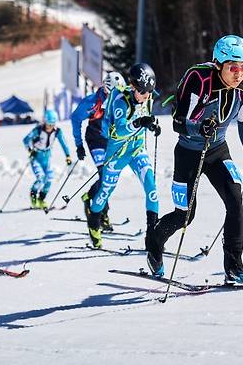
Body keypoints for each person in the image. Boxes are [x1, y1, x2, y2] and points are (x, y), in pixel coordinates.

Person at [145, 34, 243, 285]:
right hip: (188, 153)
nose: (239, 74)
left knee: (235, 202)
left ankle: (234, 267)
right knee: (185, 215)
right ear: (219, 64)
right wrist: (199, 128)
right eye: (234, 67)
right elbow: (178, 123)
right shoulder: (198, 80)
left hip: (217, 151)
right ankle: (154, 243)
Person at [85, 63, 161, 248]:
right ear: (133, 87)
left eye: (150, 92)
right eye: (143, 92)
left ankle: (153, 237)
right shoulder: (120, 102)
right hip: (117, 154)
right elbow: (117, 132)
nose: (148, 96)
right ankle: (93, 221)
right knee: (105, 192)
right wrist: (139, 123)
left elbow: (145, 116)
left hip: (136, 150)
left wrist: (151, 125)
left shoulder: (147, 95)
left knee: (152, 188)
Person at [70, 71, 126, 230]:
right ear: (107, 90)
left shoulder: (121, 98)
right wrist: (79, 145)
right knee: (104, 175)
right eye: (115, 92)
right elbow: (75, 118)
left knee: (110, 178)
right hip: (96, 141)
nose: (119, 95)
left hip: (111, 142)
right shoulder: (92, 102)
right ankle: (102, 213)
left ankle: (90, 197)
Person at [23, 109, 72, 209]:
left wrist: (68, 156)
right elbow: (26, 140)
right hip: (36, 157)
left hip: (47, 157)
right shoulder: (38, 130)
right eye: (48, 124)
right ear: (45, 121)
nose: (50, 126)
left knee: (49, 180)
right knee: (41, 178)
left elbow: (64, 144)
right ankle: (34, 198)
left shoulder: (57, 131)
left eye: (52, 124)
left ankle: (41, 200)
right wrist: (30, 150)